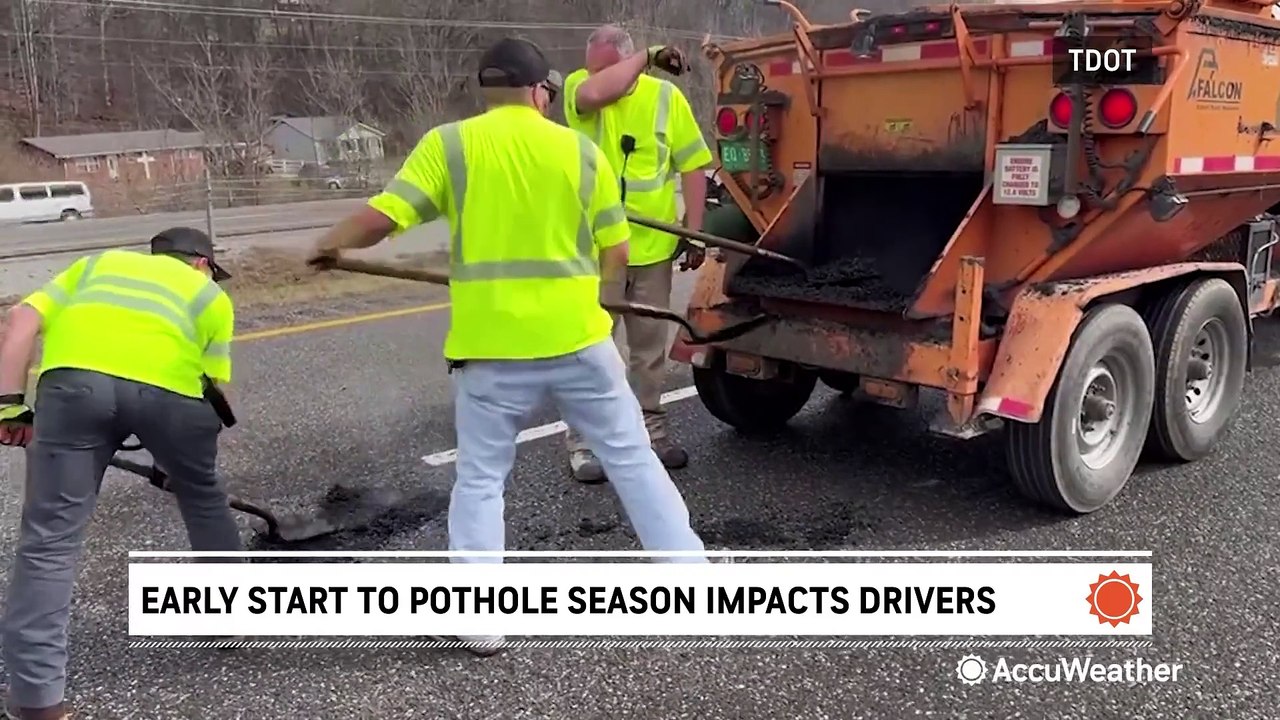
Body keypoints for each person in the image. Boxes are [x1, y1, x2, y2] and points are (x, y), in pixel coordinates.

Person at [306, 36, 708, 657]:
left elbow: (385, 216)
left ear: (486, 91)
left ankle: (477, 618)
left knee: (480, 480)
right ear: (540, 91)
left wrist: (329, 244)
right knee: (632, 458)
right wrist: (602, 301)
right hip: (578, 342)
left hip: (490, 352)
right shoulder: (578, 150)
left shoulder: (450, 145)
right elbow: (618, 249)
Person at [0, 227, 242, 720]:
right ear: (201, 264)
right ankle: (231, 619)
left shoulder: (97, 266)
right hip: (172, 404)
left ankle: (37, 703)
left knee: (49, 542)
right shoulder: (210, 296)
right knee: (204, 500)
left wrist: (9, 407)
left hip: (72, 392)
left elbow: (19, 322)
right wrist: (182, 466)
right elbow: (212, 392)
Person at [560, 25, 714, 484]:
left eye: (606, 65)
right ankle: (584, 440)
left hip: (652, 250)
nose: (598, 74)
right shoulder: (579, 87)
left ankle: (650, 424)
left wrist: (695, 231)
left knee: (647, 351)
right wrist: (647, 55)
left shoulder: (666, 99)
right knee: (589, 347)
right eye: (594, 67)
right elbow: (599, 91)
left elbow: (692, 164)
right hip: (597, 248)